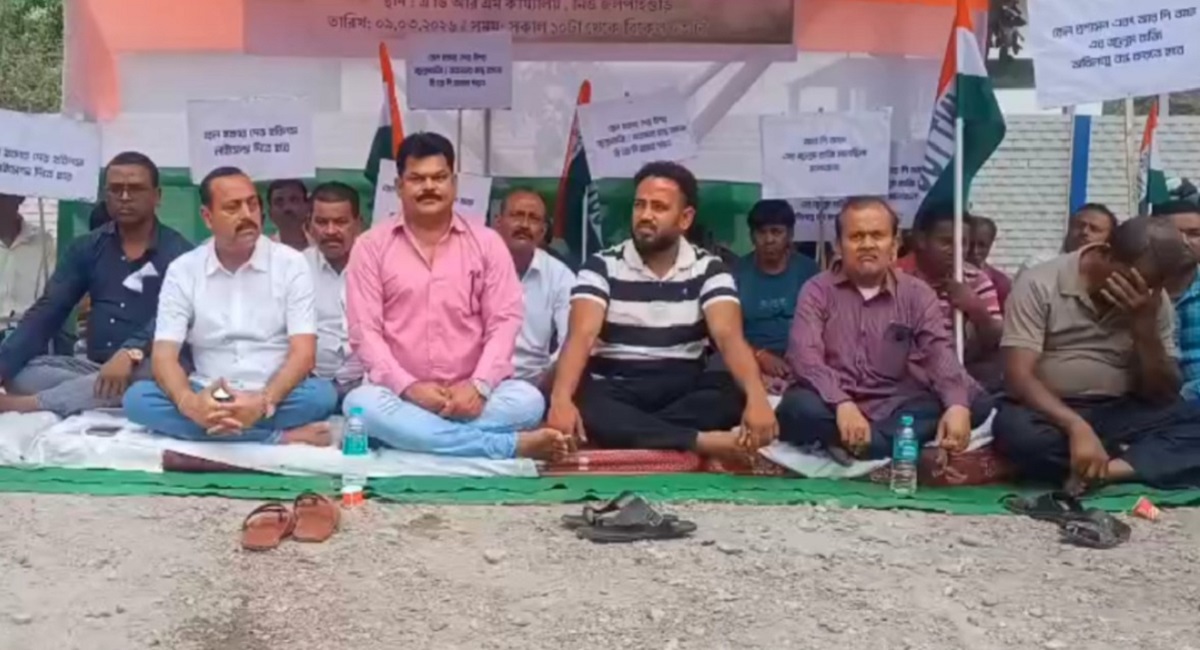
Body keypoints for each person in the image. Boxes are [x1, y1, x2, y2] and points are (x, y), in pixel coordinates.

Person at [343, 133, 565, 460]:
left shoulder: (487, 244)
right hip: (400, 394)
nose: (429, 187)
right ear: (399, 186)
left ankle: (412, 438)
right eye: (417, 179)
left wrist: (478, 386)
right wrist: (409, 388)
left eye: (439, 177)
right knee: (360, 405)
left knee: (528, 401)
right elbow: (365, 332)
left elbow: (504, 323)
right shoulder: (370, 247)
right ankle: (505, 446)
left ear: (454, 183)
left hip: (471, 397)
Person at [545, 161, 778, 460]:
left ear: (685, 218)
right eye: (639, 205)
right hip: (617, 385)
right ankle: (699, 442)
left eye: (658, 207)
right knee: (583, 399)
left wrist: (757, 399)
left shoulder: (709, 269)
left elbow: (728, 337)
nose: (645, 215)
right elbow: (581, 335)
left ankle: (638, 434)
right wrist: (561, 400)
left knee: (732, 394)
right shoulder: (601, 266)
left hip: (681, 387)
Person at [123, 167, 336, 445]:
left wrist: (262, 402)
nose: (247, 215)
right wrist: (191, 404)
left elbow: (304, 354)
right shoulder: (184, 270)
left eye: (252, 204)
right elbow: (164, 356)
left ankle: (219, 429)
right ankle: (277, 436)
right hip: (208, 389)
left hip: (274, 392)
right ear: (207, 217)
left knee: (321, 396)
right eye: (233, 207)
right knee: (138, 400)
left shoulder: (291, 264)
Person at [775, 197, 995, 461]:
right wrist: (841, 402)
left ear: (894, 244)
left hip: (895, 403)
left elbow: (938, 351)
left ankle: (853, 442)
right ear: (839, 246)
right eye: (856, 236)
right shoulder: (817, 291)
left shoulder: (916, 293)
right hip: (830, 403)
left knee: (974, 403)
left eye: (877, 236)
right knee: (797, 408)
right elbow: (804, 357)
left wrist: (957, 404)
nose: (867, 244)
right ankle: (887, 443)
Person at [993, 216, 1200, 490]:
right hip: (1051, 411)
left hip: (1122, 409)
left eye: (1152, 284)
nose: (1140, 290)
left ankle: (1107, 470)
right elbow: (1018, 376)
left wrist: (1144, 329)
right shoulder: (1040, 282)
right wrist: (1076, 427)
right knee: (1022, 437)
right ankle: (1133, 458)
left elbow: (1163, 393)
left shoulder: (1151, 298)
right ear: (1107, 254)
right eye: (1131, 279)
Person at [0, 152, 194, 417]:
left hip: (152, 363)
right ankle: (96, 394)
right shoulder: (87, 248)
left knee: (155, 375)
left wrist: (130, 352)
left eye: (135, 188)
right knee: (22, 372)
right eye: (116, 189)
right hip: (94, 366)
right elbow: (49, 310)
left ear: (157, 196)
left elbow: (173, 318)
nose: (124, 197)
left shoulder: (182, 254)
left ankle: (31, 404)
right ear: (105, 195)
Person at [897, 209, 1003, 391]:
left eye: (963, 243)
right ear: (921, 240)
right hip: (909, 377)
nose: (956, 251)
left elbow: (996, 340)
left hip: (965, 371)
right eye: (946, 242)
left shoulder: (976, 279)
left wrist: (976, 309)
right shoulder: (897, 279)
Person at [492, 187, 574, 391]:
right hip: (475, 380)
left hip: (531, 385)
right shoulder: (474, 266)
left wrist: (546, 382)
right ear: (498, 223)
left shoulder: (559, 275)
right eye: (516, 215)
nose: (524, 225)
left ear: (543, 231)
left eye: (534, 219)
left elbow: (571, 342)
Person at [733, 199, 819, 391]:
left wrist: (800, 361)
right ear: (751, 236)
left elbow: (822, 327)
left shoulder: (809, 271)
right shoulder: (736, 274)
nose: (769, 240)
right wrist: (759, 356)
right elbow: (726, 333)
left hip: (801, 360)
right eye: (761, 232)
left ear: (790, 235)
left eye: (776, 232)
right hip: (747, 358)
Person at [303, 181, 365, 404]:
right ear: (309, 225)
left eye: (340, 222)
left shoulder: (378, 267)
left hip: (368, 384)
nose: (330, 231)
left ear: (358, 224)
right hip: (312, 385)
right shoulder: (295, 268)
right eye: (321, 222)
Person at [1154, 200, 1200, 399]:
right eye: (1174, 234)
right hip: (1148, 405)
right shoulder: (1133, 293)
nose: (1184, 242)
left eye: (1194, 234)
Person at [0, 192, 55, 327]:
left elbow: (50, 298)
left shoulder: (43, 242)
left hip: (28, 332)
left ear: (20, 198)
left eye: (3, 197)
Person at [1018, 203, 1118, 276]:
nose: (1084, 232)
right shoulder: (1038, 264)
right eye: (1079, 225)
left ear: (1108, 239)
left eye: (1094, 229)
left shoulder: (1110, 276)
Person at [966, 214, 1012, 310]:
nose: (975, 251)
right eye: (970, 244)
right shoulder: (950, 276)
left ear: (990, 245)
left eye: (982, 245)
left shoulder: (1000, 283)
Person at [267, 179, 311, 251]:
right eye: (279, 202)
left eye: (294, 200)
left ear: (307, 207)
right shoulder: (264, 251)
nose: (287, 208)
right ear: (270, 213)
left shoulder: (321, 246)